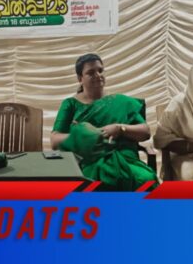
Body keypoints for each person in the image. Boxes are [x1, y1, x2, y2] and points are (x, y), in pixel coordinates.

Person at [51, 54, 158, 190]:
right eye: (91, 72)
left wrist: (120, 128)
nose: (98, 75)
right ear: (80, 79)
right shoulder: (70, 104)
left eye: (100, 70)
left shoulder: (121, 102)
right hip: (87, 160)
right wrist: (87, 134)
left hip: (124, 159)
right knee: (91, 180)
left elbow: (145, 131)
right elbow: (54, 140)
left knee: (145, 179)